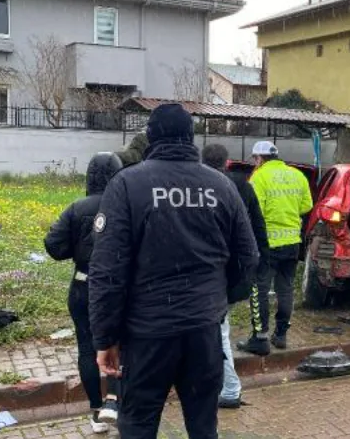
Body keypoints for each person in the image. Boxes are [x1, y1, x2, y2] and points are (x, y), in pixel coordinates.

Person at [88, 104, 259, 439]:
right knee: (203, 425)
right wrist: (217, 302)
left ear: (150, 137)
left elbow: (108, 269)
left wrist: (105, 337)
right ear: (189, 137)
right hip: (203, 331)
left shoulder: (127, 184)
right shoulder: (221, 186)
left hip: (148, 335)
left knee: (138, 424)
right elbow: (248, 258)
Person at [43, 152, 123, 434]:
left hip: (82, 284)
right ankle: (115, 401)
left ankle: (96, 410)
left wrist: (77, 250)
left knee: (87, 348)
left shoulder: (76, 208)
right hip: (115, 286)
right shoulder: (123, 205)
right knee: (118, 344)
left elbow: (53, 245)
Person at [201, 143, 269, 409]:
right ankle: (218, 385)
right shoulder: (241, 185)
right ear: (227, 163)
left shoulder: (199, 187)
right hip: (233, 271)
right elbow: (257, 225)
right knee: (217, 330)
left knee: (217, 333)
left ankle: (229, 389)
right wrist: (261, 260)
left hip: (210, 273)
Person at [238, 141, 312, 355]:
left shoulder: (259, 177)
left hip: (268, 245)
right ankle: (281, 335)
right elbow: (306, 206)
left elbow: (252, 208)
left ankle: (260, 338)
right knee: (286, 289)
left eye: (254, 159)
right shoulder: (297, 175)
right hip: (292, 243)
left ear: (259, 158)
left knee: (259, 288)